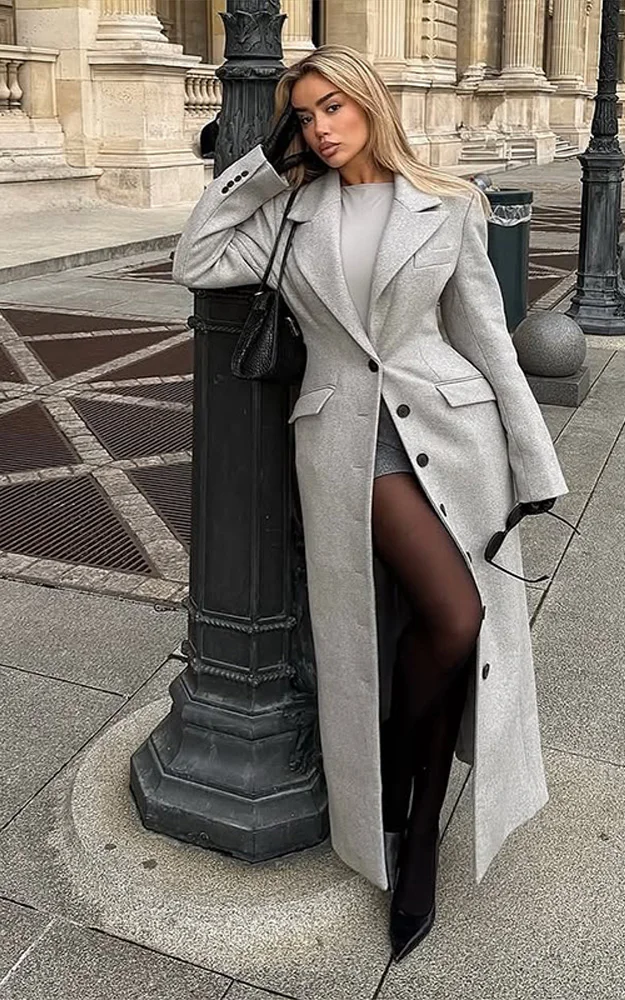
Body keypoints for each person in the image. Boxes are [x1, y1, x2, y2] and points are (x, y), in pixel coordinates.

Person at [172, 44, 568, 963]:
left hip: (454, 433)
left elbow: (487, 337)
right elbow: (195, 258)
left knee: (452, 626)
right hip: (349, 442)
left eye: (334, 107)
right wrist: (261, 168)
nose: (321, 127)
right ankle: (403, 803)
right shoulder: (289, 214)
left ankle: (414, 819)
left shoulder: (448, 202)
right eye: (306, 114)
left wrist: (533, 460)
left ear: (370, 103)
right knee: (456, 615)